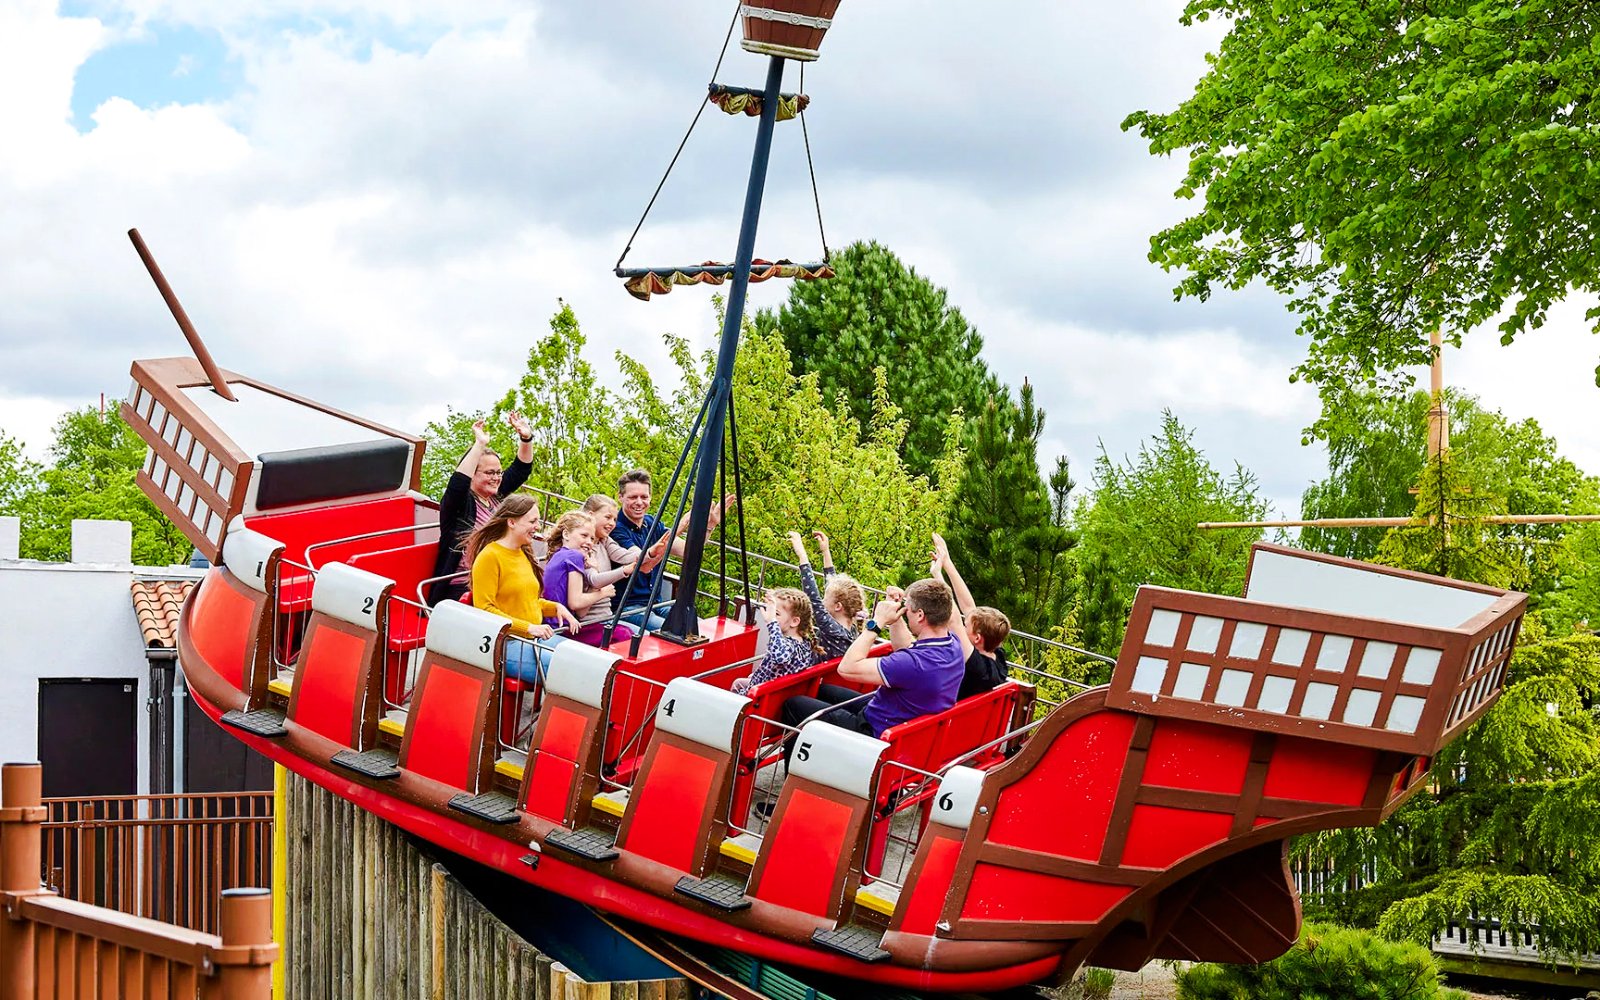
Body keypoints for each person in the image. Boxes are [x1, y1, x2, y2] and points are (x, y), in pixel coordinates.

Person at [779, 578, 965, 742]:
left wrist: (876, 623)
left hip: (874, 732)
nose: (905, 613)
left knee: (794, 704)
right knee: (821, 690)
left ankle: (799, 775)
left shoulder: (911, 664)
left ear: (920, 615)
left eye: (907, 610)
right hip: (901, 723)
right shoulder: (953, 646)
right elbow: (905, 647)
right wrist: (896, 618)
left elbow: (847, 668)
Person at [465, 494, 579, 681]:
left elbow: (527, 600)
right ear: (512, 522)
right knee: (567, 671)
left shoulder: (523, 553)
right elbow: (484, 609)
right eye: (532, 521)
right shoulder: (490, 557)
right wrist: (528, 628)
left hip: (533, 639)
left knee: (581, 659)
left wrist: (555, 608)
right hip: (506, 643)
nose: (537, 526)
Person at [428, 414, 538, 605]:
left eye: (498, 472)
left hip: (498, 578)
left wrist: (526, 438)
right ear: (473, 474)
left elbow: (522, 469)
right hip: (464, 584)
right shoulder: (460, 504)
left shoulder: (497, 496)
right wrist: (479, 445)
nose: (496, 478)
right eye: (489, 473)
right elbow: (458, 484)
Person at [609, 468, 735, 631]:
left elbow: (686, 551)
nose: (639, 502)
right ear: (620, 497)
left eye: (644, 497)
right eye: (633, 497)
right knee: (677, 631)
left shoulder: (651, 523)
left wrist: (710, 526)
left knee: (698, 626)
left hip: (656, 603)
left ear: (650, 497)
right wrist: (680, 527)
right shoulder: (616, 528)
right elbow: (644, 564)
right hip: (628, 607)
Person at [931, 532, 1012, 700]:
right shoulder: (996, 656)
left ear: (977, 638)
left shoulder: (977, 667)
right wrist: (947, 563)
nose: (963, 623)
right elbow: (969, 607)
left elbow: (953, 620)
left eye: (966, 625)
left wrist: (937, 575)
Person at [541, 510, 635, 648]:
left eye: (592, 538)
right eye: (584, 535)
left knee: (622, 632)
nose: (589, 542)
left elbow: (581, 612)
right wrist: (603, 593)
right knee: (623, 635)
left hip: (565, 624)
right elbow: (576, 603)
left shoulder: (560, 555)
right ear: (566, 534)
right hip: (561, 627)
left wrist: (595, 581)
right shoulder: (574, 556)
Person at [786, 530, 865, 662]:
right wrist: (825, 551)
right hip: (818, 675)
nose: (822, 600)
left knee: (740, 682)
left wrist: (802, 555)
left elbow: (813, 599)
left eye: (825, 598)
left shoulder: (833, 630)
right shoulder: (851, 629)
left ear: (838, 606)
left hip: (808, 676)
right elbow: (832, 586)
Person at [733, 588, 823, 694]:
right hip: (768, 688)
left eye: (776, 614)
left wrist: (772, 622)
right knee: (738, 682)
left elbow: (780, 658)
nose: (772, 617)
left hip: (759, 697)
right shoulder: (804, 644)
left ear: (794, 621)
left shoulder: (789, 647)